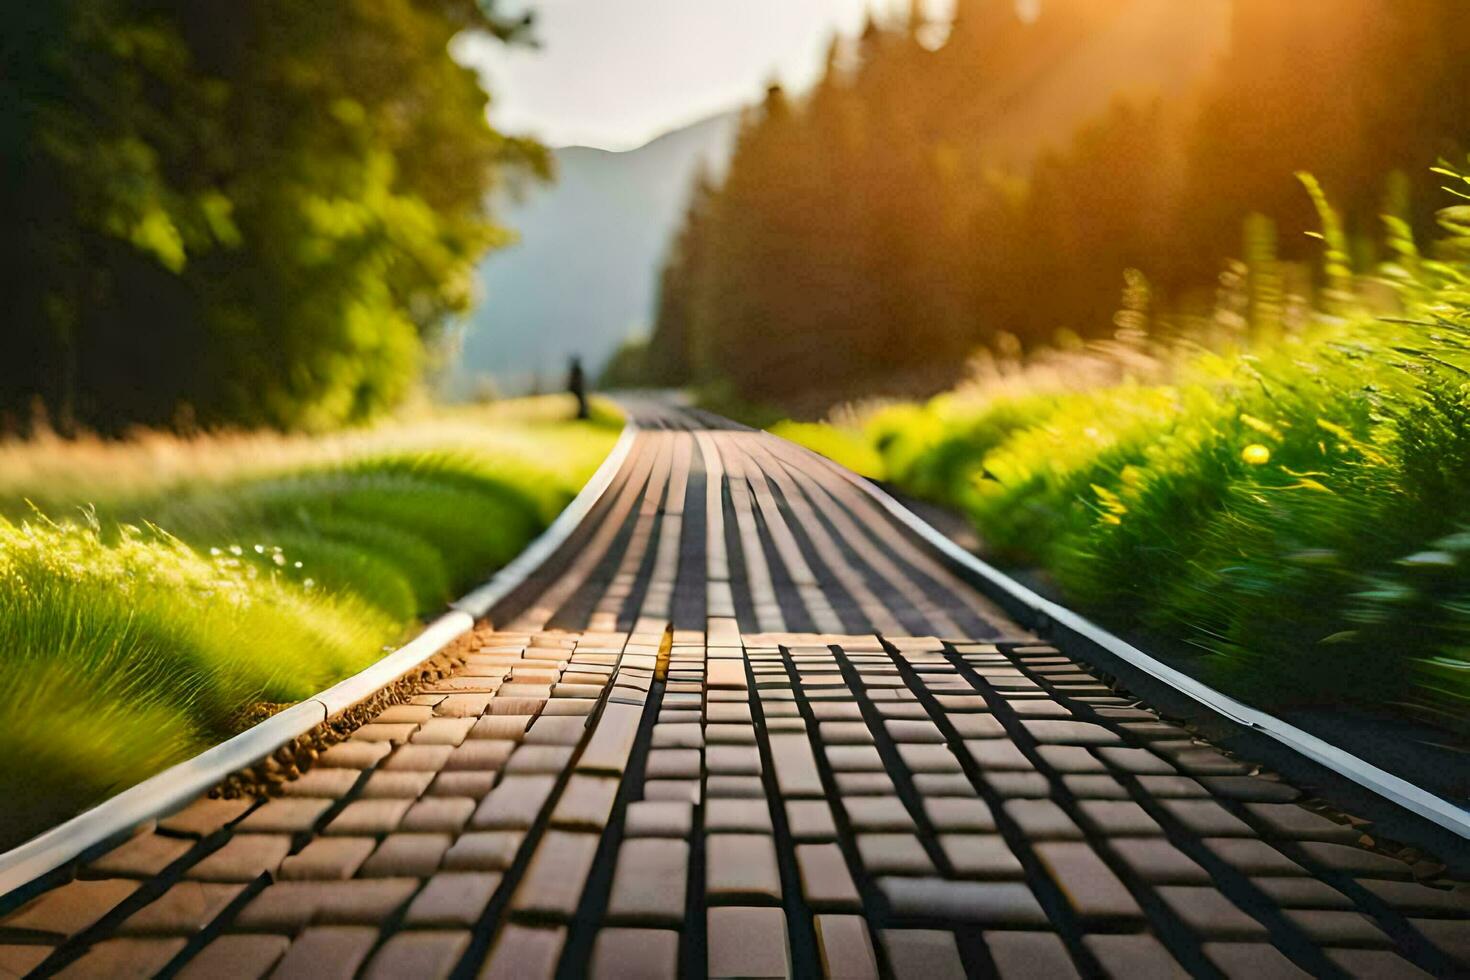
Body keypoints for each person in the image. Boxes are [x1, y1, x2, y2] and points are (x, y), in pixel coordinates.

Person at [567, 355, 589, 420]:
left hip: (577, 390)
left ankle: (582, 415)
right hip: (575, 390)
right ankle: (582, 415)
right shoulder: (576, 370)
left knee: (582, 403)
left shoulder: (576, 370)